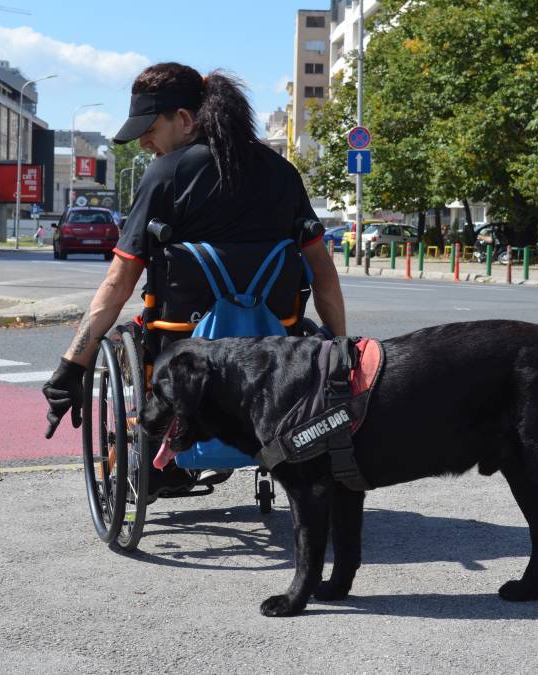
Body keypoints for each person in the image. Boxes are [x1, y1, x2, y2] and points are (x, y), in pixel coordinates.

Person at [42, 62, 347, 494]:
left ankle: (165, 462)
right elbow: (323, 271)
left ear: (184, 120)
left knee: (128, 339)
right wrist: (338, 346)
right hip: (279, 351)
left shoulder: (165, 176)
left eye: (149, 129)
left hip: (184, 358)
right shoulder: (282, 173)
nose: (145, 143)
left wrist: (70, 366)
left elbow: (118, 283)